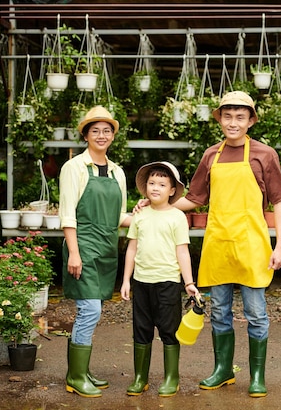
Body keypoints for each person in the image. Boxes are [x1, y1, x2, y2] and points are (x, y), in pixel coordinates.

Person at [155, 90, 281, 398]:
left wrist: (279, 245)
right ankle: (223, 370)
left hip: (253, 245)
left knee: (256, 314)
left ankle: (257, 376)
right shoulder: (210, 155)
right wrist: (159, 205)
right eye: (227, 116)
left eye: (240, 117)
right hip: (218, 244)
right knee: (219, 313)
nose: (233, 122)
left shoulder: (264, 154)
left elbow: (280, 201)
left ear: (250, 121)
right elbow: (193, 199)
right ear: (220, 119)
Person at [59, 106, 132, 398]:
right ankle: (76, 377)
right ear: (86, 135)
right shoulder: (73, 167)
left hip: (106, 248)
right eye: (95, 130)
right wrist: (74, 253)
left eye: (106, 130)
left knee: (91, 311)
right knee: (90, 310)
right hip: (83, 245)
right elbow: (67, 215)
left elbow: (120, 217)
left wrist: (149, 212)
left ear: (113, 135)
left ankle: (80, 370)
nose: (101, 135)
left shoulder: (117, 172)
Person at [120, 161, 200, 397]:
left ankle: (171, 378)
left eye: (162, 184)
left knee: (169, 330)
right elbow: (131, 249)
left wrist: (189, 283)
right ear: (145, 188)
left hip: (168, 282)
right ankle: (140, 378)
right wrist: (126, 280)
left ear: (172, 190)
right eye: (152, 183)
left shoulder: (177, 217)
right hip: (141, 282)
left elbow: (182, 251)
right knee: (141, 330)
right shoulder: (140, 215)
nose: (155, 188)